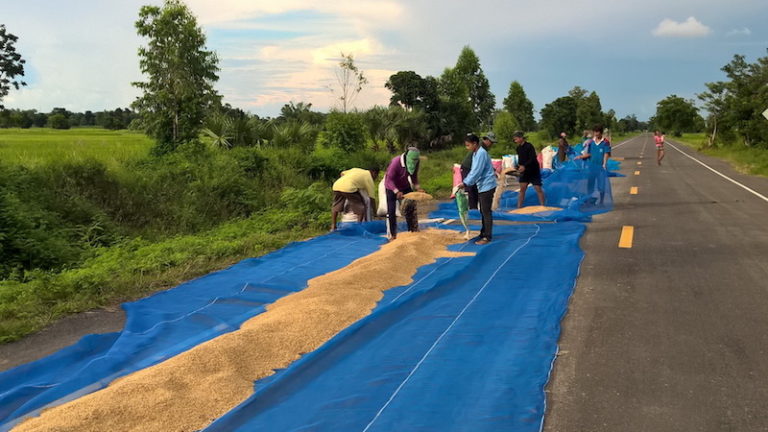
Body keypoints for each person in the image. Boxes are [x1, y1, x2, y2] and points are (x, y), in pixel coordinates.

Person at [457, 134, 497, 245]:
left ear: (475, 143)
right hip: (482, 185)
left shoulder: (481, 154)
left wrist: (465, 183)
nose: (467, 147)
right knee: (483, 211)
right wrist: (466, 182)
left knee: (486, 211)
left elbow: (476, 171)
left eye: (468, 145)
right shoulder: (476, 153)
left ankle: (487, 236)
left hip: (487, 185)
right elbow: (474, 170)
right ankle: (483, 232)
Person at [384, 147, 422, 240]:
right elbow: (389, 180)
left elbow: (414, 177)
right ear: (407, 157)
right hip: (392, 188)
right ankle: (392, 235)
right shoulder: (395, 163)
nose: (414, 162)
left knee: (411, 207)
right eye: (413, 160)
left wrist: (418, 188)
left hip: (405, 185)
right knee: (391, 212)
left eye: (416, 160)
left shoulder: (416, 163)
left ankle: (413, 230)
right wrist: (396, 191)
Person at [575, 124, 611, 203]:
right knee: (590, 184)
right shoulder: (591, 142)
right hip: (592, 167)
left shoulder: (605, 142)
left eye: (597, 132)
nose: (595, 134)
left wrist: (604, 164)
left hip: (601, 167)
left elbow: (606, 153)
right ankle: (589, 200)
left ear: (601, 132)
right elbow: (589, 154)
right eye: (595, 132)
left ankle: (601, 201)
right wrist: (580, 157)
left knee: (601, 185)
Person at [512, 131, 546, 208]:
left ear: (521, 138)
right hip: (525, 172)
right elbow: (521, 160)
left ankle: (543, 206)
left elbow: (533, 158)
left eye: (516, 139)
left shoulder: (529, 146)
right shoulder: (518, 148)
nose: (515, 141)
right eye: (514, 139)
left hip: (533, 170)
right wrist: (518, 166)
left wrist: (524, 166)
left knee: (538, 189)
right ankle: (519, 207)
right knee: (522, 190)